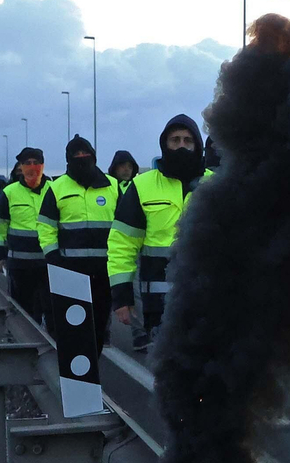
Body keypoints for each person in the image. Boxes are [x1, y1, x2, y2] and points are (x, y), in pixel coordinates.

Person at [108, 115, 213, 349]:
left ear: (197, 145)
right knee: (169, 373)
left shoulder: (216, 185)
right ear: (164, 145)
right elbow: (122, 244)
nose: (181, 146)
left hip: (209, 300)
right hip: (158, 305)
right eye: (175, 140)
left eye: (188, 140)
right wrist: (122, 297)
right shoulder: (142, 186)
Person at [40, 136, 119, 351]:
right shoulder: (57, 188)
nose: (82, 158)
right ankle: (76, 377)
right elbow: (45, 226)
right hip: (70, 271)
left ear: (94, 156)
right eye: (76, 156)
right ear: (69, 160)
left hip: (104, 272)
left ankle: (93, 375)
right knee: (73, 329)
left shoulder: (113, 186)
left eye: (86, 154)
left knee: (99, 329)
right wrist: (52, 256)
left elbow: (123, 227)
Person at [0, 147, 55, 328]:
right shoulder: (9, 193)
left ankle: (53, 350)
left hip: (49, 263)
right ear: (21, 166)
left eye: (36, 162)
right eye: (27, 163)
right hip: (20, 265)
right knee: (25, 311)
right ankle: (28, 349)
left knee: (51, 309)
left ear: (42, 166)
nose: (32, 166)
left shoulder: (55, 190)